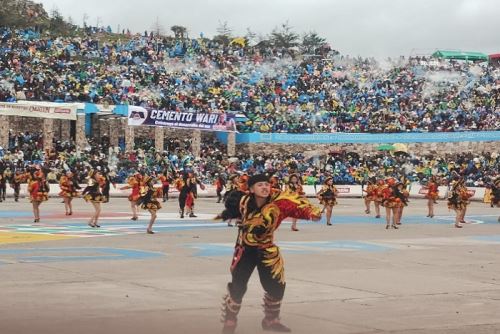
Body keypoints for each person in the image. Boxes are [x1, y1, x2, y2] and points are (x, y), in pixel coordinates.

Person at [217, 174, 322, 334]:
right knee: (238, 287)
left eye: (266, 184)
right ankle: (230, 321)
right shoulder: (242, 201)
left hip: (267, 250)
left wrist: (312, 214)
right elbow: (231, 207)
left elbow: (298, 206)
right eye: (260, 185)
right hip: (245, 249)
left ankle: (271, 320)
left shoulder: (280, 202)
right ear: (251, 189)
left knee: (277, 287)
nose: (265, 187)